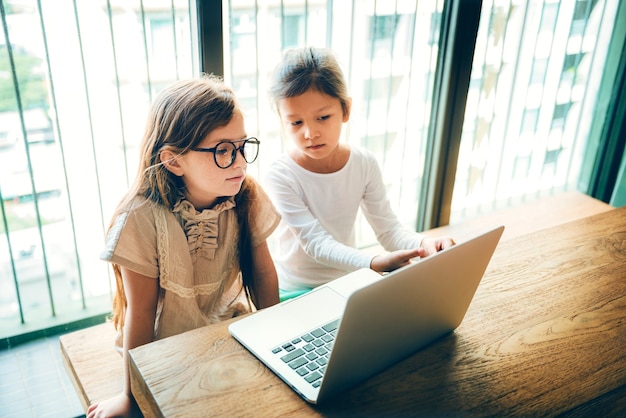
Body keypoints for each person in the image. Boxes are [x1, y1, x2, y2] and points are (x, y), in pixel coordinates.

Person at [88, 75, 280, 418]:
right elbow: (141, 311)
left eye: (242, 145)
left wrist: (275, 341)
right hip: (163, 345)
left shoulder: (246, 195)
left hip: (226, 330)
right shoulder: (141, 218)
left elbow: (264, 272)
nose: (239, 162)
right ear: (174, 160)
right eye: (222, 150)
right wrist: (131, 397)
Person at [265, 47, 455, 297]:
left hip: (347, 285)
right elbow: (315, 243)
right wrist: (373, 263)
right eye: (296, 123)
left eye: (322, 117)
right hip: (295, 291)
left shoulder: (363, 163)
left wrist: (424, 244)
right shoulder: (280, 174)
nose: (310, 133)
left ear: (346, 110)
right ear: (281, 121)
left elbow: (389, 230)